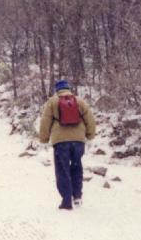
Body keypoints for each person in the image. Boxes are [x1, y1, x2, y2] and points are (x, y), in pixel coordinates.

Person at [38, 79, 97, 210]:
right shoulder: (79, 101)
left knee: (62, 170)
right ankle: (77, 197)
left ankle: (66, 201)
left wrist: (43, 139)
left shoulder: (52, 102)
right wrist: (90, 136)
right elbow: (90, 119)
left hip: (61, 142)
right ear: (68, 89)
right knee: (77, 167)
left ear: (57, 90)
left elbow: (45, 121)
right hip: (78, 141)